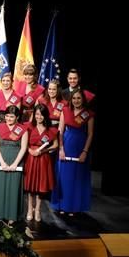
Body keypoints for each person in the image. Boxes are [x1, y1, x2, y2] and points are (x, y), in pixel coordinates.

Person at [51, 89, 95, 217]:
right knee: (64, 177)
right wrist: (61, 149)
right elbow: (60, 130)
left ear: (83, 100)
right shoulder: (65, 110)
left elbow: (90, 134)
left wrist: (85, 152)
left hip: (80, 147)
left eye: (79, 98)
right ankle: (62, 206)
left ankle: (74, 207)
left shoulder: (89, 114)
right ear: (71, 99)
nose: (76, 101)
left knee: (77, 178)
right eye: (74, 98)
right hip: (66, 146)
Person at [0, 105, 28, 222]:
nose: (9, 119)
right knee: (0, 187)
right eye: (7, 116)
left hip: (16, 161)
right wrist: (3, 162)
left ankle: (12, 216)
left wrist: (15, 164)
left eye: (12, 116)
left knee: (13, 188)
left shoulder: (23, 130)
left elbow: (23, 148)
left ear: (17, 117)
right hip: (2, 160)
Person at [24, 104, 58, 222]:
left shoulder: (50, 130)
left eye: (41, 115)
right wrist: (29, 150)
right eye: (37, 114)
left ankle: (37, 209)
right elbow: (24, 143)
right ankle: (29, 209)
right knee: (30, 186)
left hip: (43, 159)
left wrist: (44, 150)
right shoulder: (28, 126)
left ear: (45, 116)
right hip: (31, 158)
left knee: (40, 186)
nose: (39, 117)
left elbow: (55, 145)